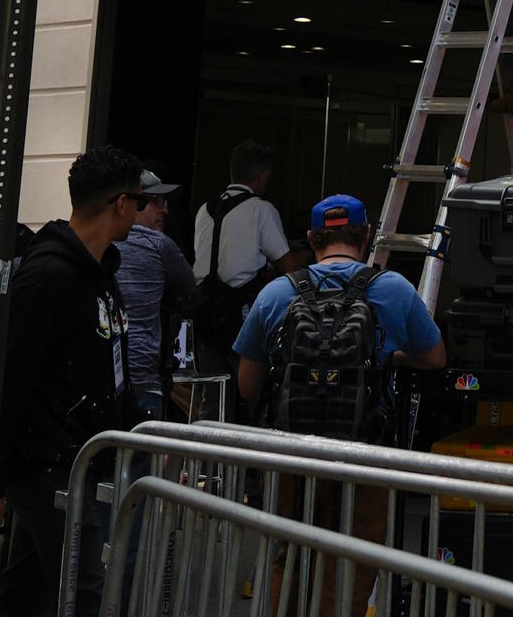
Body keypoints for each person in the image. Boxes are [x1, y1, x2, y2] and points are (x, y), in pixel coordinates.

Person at [0, 144, 151, 616]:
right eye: (141, 202)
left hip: (76, 457)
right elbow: (9, 378)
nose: (143, 213)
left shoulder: (98, 272)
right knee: (85, 591)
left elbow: (109, 368)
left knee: (29, 586)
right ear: (121, 204)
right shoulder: (48, 275)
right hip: (51, 464)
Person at [232, 194, 448, 433]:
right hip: (365, 453)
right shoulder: (396, 289)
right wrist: (383, 357)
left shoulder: (273, 293)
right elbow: (435, 358)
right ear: (367, 235)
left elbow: (247, 386)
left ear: (311, 239)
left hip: (291, 456)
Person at [193, 140, 298, 373]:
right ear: (262, 176)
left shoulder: (204, 210)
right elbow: (289, 267)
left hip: (205, 317)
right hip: (240, 318)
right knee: (251, 391)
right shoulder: (261, 209)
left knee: (213, 395)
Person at [113, 168, 196, 421]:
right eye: (157, 202)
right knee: (142, 458)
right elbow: (189, 286)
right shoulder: (159, 244)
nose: (165, 210)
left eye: (165, 202)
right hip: (143, 376)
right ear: (132, 205)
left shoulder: (104, 242)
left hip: (105, 377)